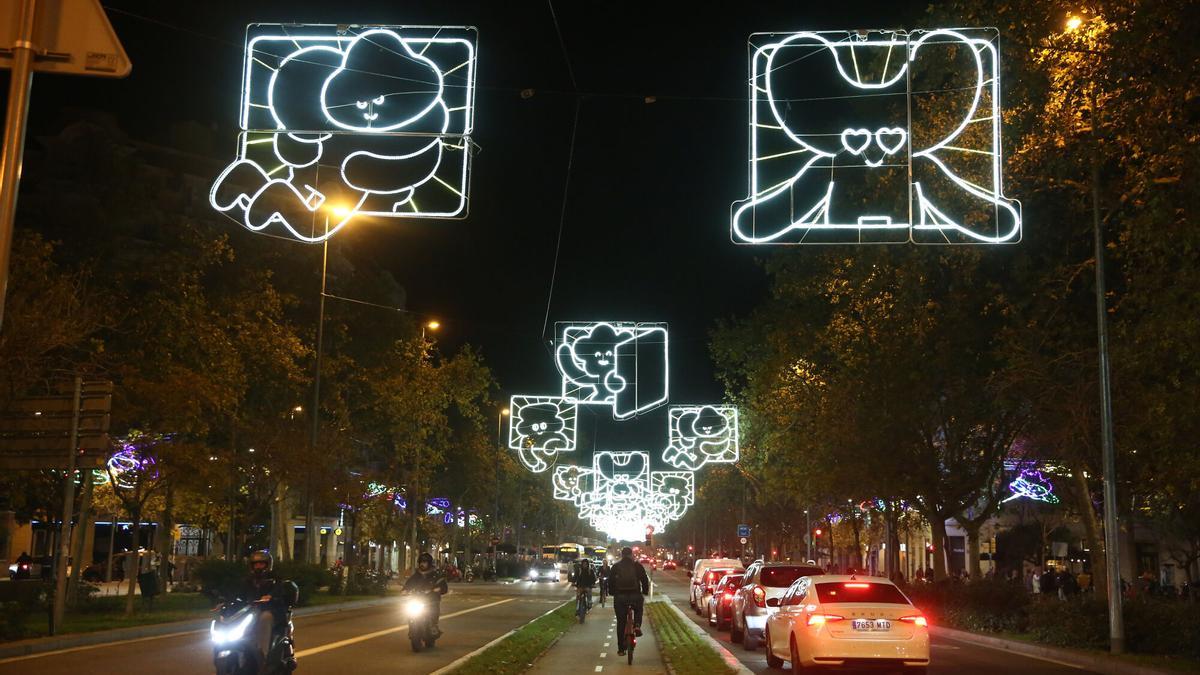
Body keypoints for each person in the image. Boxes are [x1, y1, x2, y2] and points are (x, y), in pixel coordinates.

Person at [240, 550, 298, 671]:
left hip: (272, 611)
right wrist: (224, 601)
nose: (258, 567)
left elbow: (279, 589)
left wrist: (271, 596)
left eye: (261, 564)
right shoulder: (247, 580)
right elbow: (239, 593)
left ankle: (263, 655)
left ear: (267, 565)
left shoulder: (275, 578)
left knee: (264, 618)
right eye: (256, 564)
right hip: (252, 611)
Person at [608, 546, 650, 657]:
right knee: (638, 609)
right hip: (635, 595)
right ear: (632, 555)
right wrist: (645, 591)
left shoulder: (616, 567)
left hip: (620, 597)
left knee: (621, 622)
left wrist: (612, 592)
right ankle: (636, 625)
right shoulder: (637, 566)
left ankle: (621, 649)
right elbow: (644, 580)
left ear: (622, 555)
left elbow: (610, 581)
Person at [403, 553, 449, 636]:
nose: (422, 564)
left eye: (424, 562)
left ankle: (434, 627)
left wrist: (439, 589)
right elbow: (409, 583)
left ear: (429, 563)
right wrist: (405, 590)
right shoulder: (416, 575)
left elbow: (443, 586)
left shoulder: (436, 575)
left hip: (431, 600)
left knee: (433, 611)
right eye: (421, 562)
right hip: (417, 599)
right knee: (410, 612)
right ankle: (412, 627)